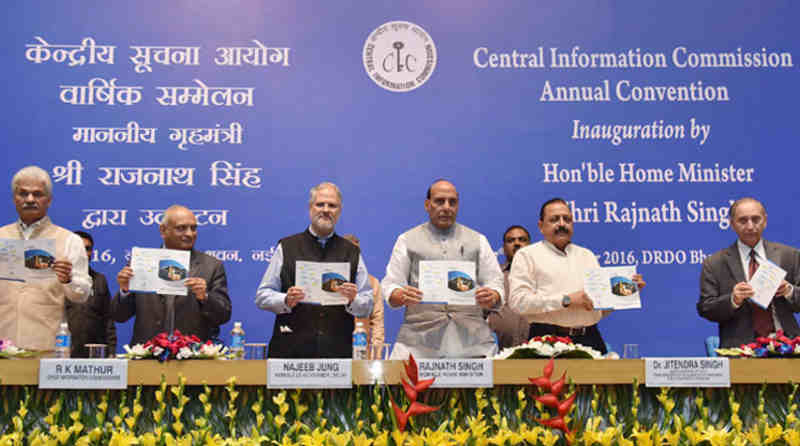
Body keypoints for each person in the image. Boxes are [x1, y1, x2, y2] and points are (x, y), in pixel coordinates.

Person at [381, 179, 504, 359]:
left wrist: (493, 296)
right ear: (427, 204)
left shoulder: (478, 240)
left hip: (472, 341)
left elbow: (496, 282)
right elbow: (391, 282)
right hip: (419, 340)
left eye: (452, 202)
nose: (446, 207)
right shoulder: (407, 240)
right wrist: (399, 294)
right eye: (439, 201)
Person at [508, 198, 645, 354]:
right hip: (547, 341)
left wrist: (625, 293)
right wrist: (566, 300)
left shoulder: (587, 256)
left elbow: (599, 309)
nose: (561, 224)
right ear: (541, 226)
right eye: (554, 219)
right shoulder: (527, 255)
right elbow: (518, 302)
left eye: (567, 219)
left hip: (590, 339)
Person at [255, 182, 374, 358]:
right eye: (320, 204)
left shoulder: (351, 251)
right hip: (290, 352)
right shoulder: (287, 247)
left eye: (332, 205)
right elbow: (262, 296)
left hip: (337, 354)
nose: (326, 210)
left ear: (339, 211)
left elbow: (368, 305)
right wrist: (285, 300)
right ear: (310, 208)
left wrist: (352, 299)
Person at [110, 205, 231, 345]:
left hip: (192, 356)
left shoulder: (211, 266)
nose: (190, 234)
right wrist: (125, 290)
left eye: (193, 228)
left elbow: (223, 316)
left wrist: (205, 297)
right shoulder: (141, 262)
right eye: (181, 228)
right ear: (163, 230)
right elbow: (118, 316)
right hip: (147, 356)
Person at [0, 166, 91, 350]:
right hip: (3, 343)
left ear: (48, 200)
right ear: (14, 198)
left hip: (47, 347)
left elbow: (83, 295)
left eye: (37, 194)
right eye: (23, 194)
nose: (30, 199)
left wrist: (68, 279)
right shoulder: (1, 236)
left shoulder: (69, 240)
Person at [698, 197, 800, 348]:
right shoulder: (714, 263)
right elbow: (706, 308)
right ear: (732, 224)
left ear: (765, 221)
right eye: (743, 220)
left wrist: (789, 290)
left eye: (755, 219)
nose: (750, 226)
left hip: (788, 345)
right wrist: (733, 299)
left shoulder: (789, 255)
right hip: (739, 348)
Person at [66, 230, 117, 357]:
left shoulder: (100, 280)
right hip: (63, 352)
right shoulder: (59, 280)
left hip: (94, 354)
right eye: (79, 248)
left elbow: (108, 319)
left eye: (87, 249)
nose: (83, 253)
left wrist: (111, 352)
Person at [487, 225, 532, 350]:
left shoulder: (543, 274)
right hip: (501, 352)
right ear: (504, 248)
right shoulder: (494, 277)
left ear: (530, 246)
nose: (517, 243)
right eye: (511, 240)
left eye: (522, 240)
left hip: (540, 351)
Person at [343, 233, 386, 359]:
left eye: (356, 253)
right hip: (334, 350)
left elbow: (377, 321)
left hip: (362, 351)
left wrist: (376, 356)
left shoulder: (372, 283)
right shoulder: (332, 284)